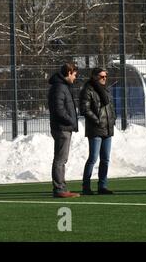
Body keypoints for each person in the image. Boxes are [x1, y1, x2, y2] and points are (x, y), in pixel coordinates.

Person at [79, 68, 116, 195]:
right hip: (96, 129)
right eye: (101, 76)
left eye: (105, 76)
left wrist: (112, 119)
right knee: (93, 158)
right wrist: (97, 120)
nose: (104, 79)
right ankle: (86, 186)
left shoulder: (106, 89)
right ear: (94, 77)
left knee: (105, 159)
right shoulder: (87, 89)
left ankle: (102, 186)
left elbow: (110, 107)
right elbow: (84, 109)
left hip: (107, 128)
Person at [48, 63, 80, 198]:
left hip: (63, 127)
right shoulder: (60, 87)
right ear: (69, 72)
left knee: (61, 159)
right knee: (60, 160)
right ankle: (59, 189)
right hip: (62, 128)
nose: (75, 78)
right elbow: (59, 110)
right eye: (74, 75)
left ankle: (60, 187)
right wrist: (71, 121)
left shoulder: (61, 86)